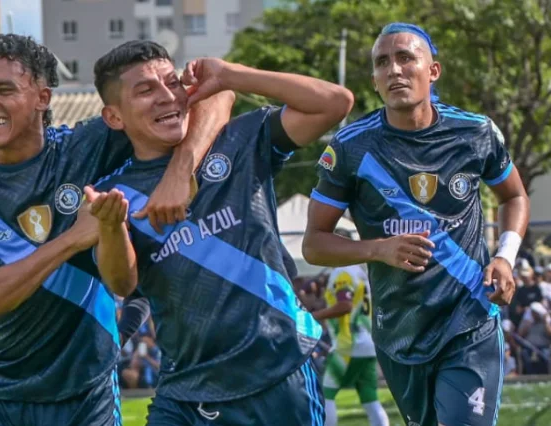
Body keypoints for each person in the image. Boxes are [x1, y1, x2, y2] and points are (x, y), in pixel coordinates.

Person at [0, 34, 232, 426]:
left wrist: (179, 171)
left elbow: (217, 96)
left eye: (4, 90)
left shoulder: (87, 146)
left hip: (87, 396)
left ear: (43, 98)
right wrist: (71, 240)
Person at [89, 40, 353, 425]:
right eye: (145, 90)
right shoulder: (114, 192)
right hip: (186, 387)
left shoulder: (239, 140)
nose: (166, 96)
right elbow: (122, 282)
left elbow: (335, 103)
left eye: (172, 82)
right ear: (114, 117)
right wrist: (112, 228)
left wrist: (231, 75)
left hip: (278, 369)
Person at [302, 23, 530, 426]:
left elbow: (514, 197)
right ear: (374, 81)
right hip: (399, 332)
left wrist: (505, 257)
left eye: (406, 58)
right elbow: (314, 244)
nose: (394, 70)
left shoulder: (476, 133)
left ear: (433, 71)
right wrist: (378, 249)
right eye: (382, 63)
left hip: (470, 318)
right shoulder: (351, 148)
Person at [313, 258, 389, 426]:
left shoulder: (343, 272)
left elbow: (345, 305)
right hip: (368, 342)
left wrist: (314, 316)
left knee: (326, 394)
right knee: (370, 397)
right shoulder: (360, 272)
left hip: (348, 344)